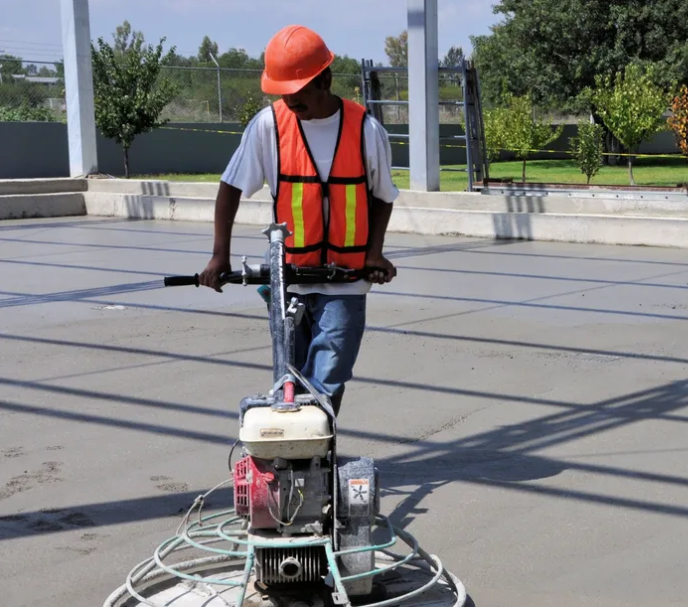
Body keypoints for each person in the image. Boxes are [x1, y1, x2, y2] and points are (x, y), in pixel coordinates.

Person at [199, 24, 399, 416]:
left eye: (299, 91)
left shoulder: (365, 129)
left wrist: (374, 253)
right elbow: (230, 188)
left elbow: (382, 196)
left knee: (328, 374)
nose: (290, 101)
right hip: (288, 278)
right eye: (283, 92)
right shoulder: (269, 126)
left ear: (325, 79)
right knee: (288, 378)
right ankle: (295, 459)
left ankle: (316, 453)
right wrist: (219, 255)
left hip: (345, 282)